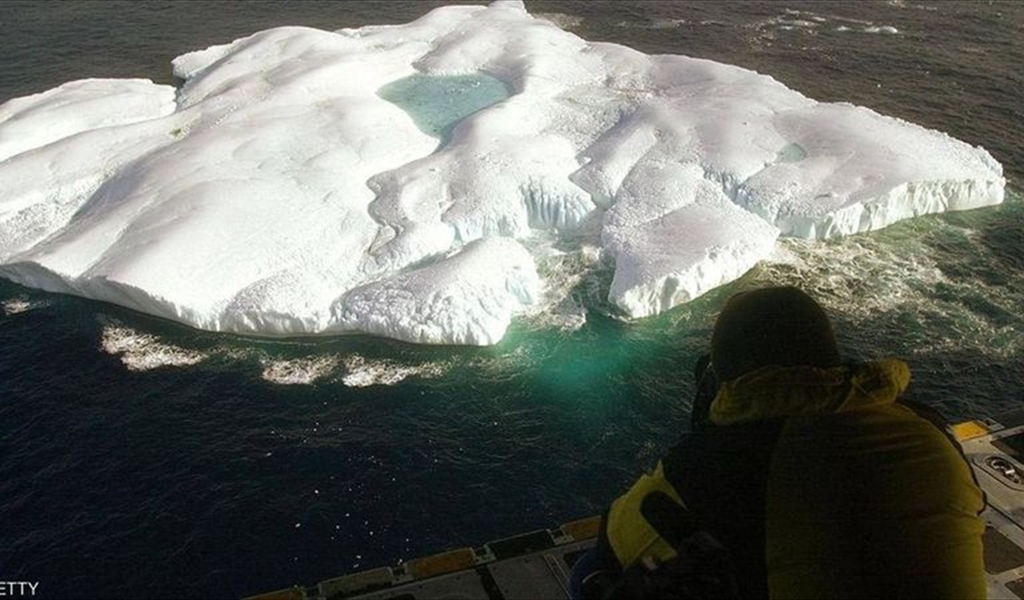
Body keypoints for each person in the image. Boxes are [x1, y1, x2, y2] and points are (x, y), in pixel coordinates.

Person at [572, 285, 986, 599]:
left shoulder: (714, 464)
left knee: (589, 571)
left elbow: (615, 537)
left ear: (724, 381)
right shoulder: (926, 430)